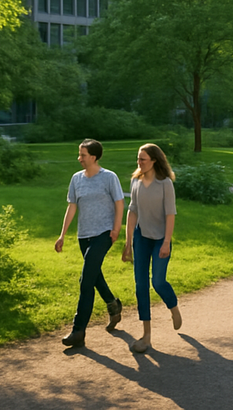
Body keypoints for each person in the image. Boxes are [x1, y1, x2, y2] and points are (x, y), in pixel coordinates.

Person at [55, 138, 125, 347]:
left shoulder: (109, 177)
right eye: (79, 154)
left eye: (83, 155)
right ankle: (113, 305)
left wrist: (116, 229)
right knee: (94, 276)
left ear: (93, 157)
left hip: (104, 233)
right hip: (83, 235)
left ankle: (78, 331)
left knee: (85, 281)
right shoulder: (76, 179)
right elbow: (72, 206)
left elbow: (119, 203)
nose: (79, 158)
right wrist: (62, 234)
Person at [122, 143, 181, 353]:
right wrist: (128, 241)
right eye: (138, 158)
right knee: (140, 285)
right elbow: (132, 211)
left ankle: (173, 306)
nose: (139, 162)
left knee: (157, 281)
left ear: (154, 160)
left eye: (143, 159)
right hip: (142, 237)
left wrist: (166, 242)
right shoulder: (136, 181)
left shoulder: (165, 183)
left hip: (160, 239)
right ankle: (146, 336)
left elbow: (170, 214)